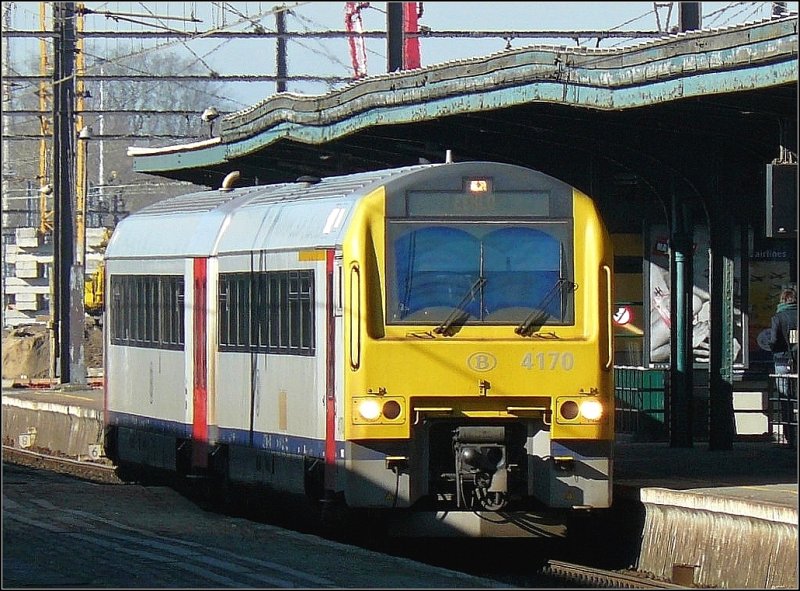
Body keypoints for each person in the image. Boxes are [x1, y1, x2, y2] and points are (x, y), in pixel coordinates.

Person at [769, 287, 797, 445]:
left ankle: (790, 437)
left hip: (781, 359)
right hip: (797, 359)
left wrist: (775, 349)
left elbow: (773, 340)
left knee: (785, 397)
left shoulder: (778, 317)